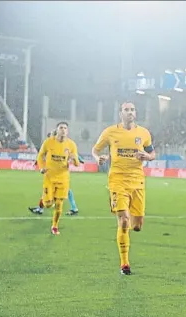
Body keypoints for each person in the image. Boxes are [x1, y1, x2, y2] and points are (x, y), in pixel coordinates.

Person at [92, 102, 155, 275]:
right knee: (124, 220)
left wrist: (148, 156)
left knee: (137, 225)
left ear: (136, 113)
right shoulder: (110, 132)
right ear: (120, 113)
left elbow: (152, 153)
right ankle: (124, 263)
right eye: (126, 110)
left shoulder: (143, 133)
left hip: (137, 182)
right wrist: (98, 158)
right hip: (117, 181)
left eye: (132, 109)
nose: (130, 112)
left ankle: (131, 227)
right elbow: (95, 150)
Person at [36, 122, 80, 235]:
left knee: (59, 204)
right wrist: (41, 168)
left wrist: (73, 158)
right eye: (61, 128)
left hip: (63, 179)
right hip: (49, 178)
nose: (63, 130)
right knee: (48, 204)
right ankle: (50, 200)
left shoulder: (71, 145)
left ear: (67, 131)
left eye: (65, 128)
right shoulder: (48, 142)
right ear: (57, 129)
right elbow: (40, 156)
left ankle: (55, 226)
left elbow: (77, 164)